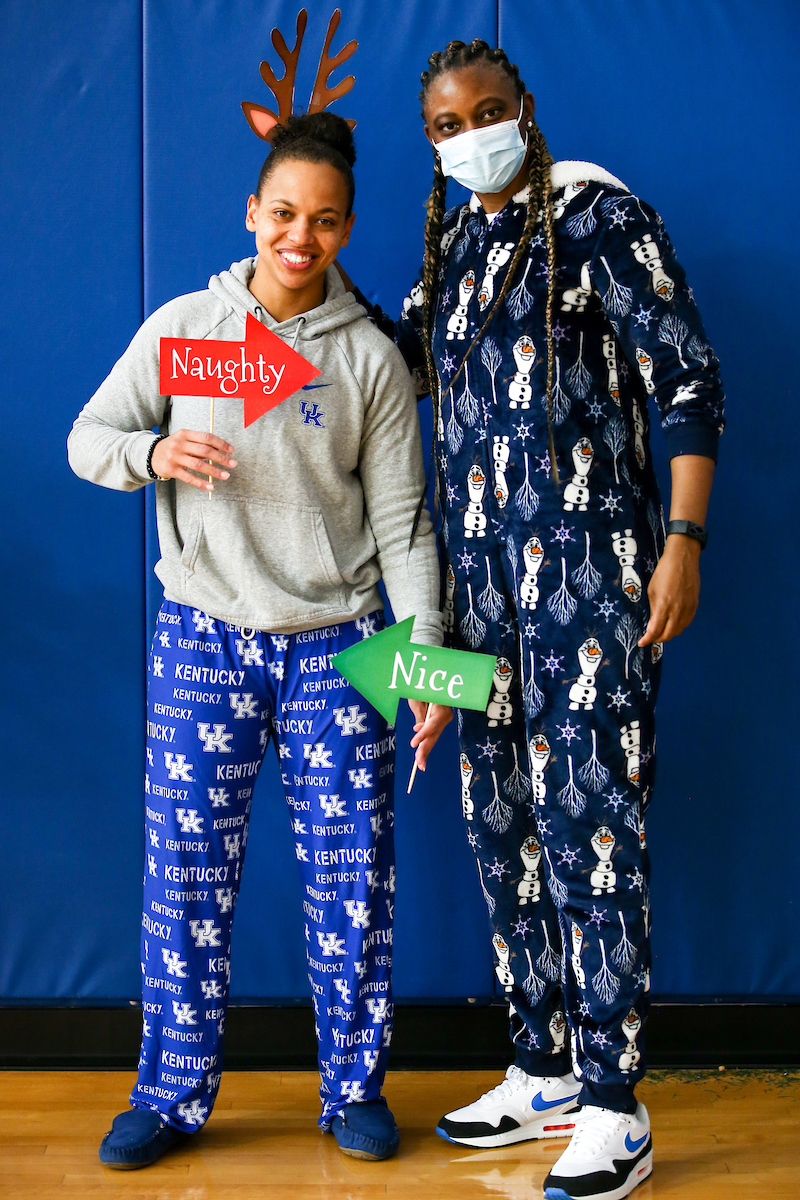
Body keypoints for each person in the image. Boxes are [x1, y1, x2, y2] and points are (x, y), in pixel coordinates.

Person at [349, 39, 724, 1200]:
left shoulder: (603, 221)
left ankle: (616, 1104)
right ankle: (543, 1067)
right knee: (500, 829)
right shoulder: (450, 248)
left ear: (523, 110)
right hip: (477, 608)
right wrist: (299, 271)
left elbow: (686, 381)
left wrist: (681, 541)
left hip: (593, 587)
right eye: (445, 125)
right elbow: (393, 362)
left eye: (486, 113)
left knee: (588, 836)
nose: (469, 135)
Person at [68, 111, 449, 1169]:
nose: (300, 236)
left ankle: (354, 1089)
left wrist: (426, 668)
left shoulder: (369, 360)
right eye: (283, 213)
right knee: (183, 874)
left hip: (342, 646)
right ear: (252, 213)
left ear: (344, 229)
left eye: (323, 221)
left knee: (352, 876)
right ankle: (170, 1094)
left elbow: (404, 527)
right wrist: (153, 452)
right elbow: (85, 441)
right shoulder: (187, 327)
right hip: (205, 636)